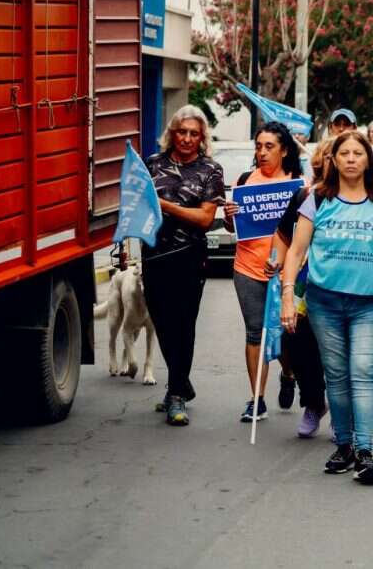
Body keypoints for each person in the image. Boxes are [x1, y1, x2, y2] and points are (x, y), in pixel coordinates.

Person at [280, 131, 373, 484]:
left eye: (358, 153)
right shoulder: (316, 199)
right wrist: (289, 296)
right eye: (344, 153)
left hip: (370, 304)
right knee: (335, 374)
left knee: (362, 371)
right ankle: (345, 445)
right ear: (333, 160)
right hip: (324, 302)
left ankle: (365, 451)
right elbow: (297, 251)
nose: (351, 158)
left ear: (368, 160)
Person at [143, 105, 224, 427]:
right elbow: (136, 203)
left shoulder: (210, 170)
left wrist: (163, 204)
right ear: (172, 134)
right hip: (153, 256)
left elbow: (204, 218)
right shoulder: (153, 164)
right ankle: (181, 381)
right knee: (162, 323)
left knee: (183, 325)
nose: (187, 138)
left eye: (194, 133)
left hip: (189, 258)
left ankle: (176, 393)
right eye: (182, 132)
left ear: (201, 137)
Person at [224, 122, 305, 423]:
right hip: (247, 267)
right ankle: (256, 399)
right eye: (258, 146)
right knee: (255, 331)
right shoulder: (246, 181)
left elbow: (304, 233)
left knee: (284, 333)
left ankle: (289, 372)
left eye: (269, 146)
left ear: (284, 150)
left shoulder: (298, 184)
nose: (262, 152)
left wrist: (285, 264)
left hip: (284, 272)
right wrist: (229, 217)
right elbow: (234, 229)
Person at [270, 138, 334, 438]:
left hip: (346, 288)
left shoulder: (366, 196)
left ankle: (342, 413)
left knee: (337, 352)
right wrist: (276, 260)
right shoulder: (304, 197)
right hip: (305, 288)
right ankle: (313, 402)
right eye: (331, 158)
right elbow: (284, 235)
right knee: (297, 343)